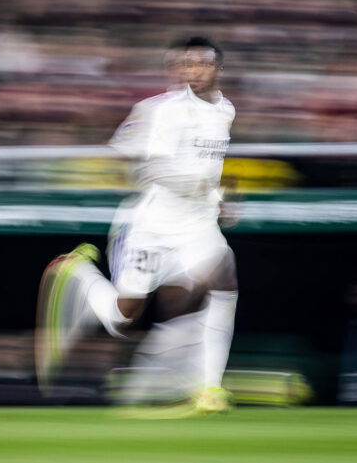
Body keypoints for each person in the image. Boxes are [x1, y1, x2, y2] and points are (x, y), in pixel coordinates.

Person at [36, 36, 238, 415]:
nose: (193, 71)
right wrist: (199, 187)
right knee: (124, 316)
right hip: (152, 226)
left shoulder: (225, 110)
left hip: (197, 225)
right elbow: (152, 168)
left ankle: (210, 389)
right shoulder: (165, 111)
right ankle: (77, 272)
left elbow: (207, 169)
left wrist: (218, 198)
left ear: (218, 70)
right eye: (187, 65)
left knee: (224, 278)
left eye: (202, 64)